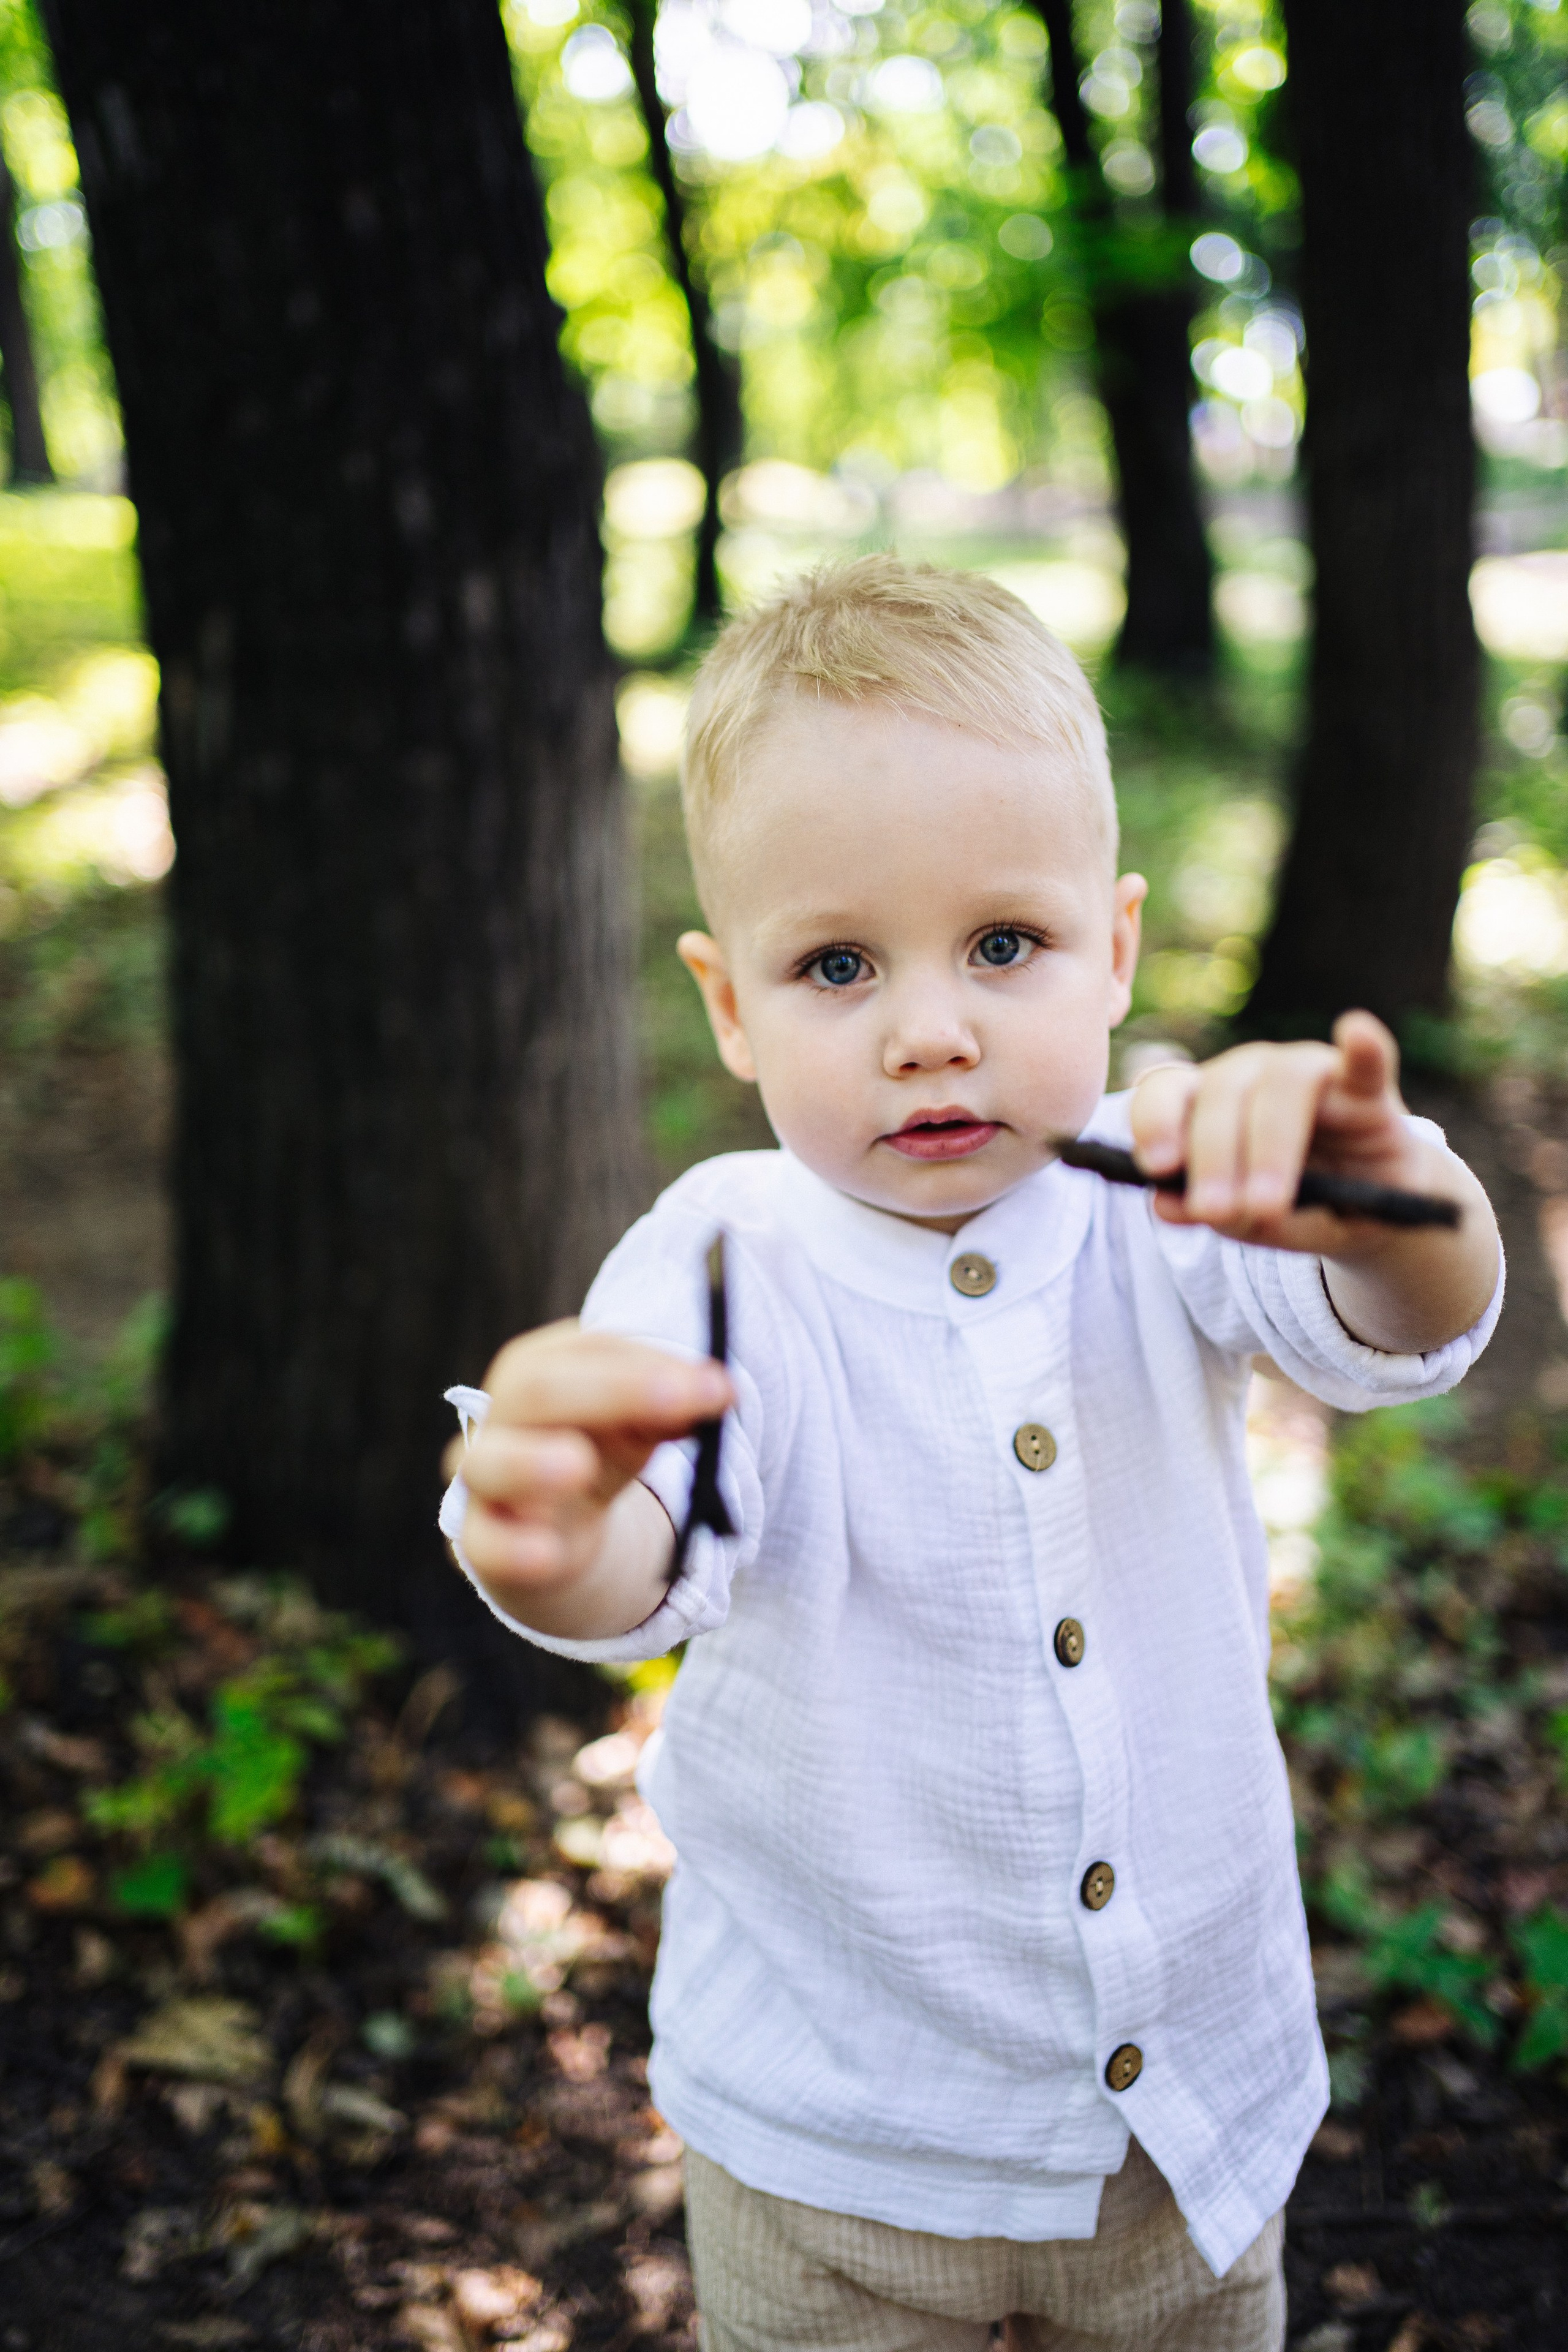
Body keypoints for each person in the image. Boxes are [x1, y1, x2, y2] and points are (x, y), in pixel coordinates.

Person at [440, 557, 1502, 2352]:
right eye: (837, 964)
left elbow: (1412, 1324)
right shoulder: (724, 1259)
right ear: (728, 1004)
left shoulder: (1173, 1182)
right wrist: (547, 1537)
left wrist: (1392, 1196)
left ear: (1116, 947)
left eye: (1003, 946)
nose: (929, 1027)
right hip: (839, 2154)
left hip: (1185, 2126)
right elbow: (642, 1560)